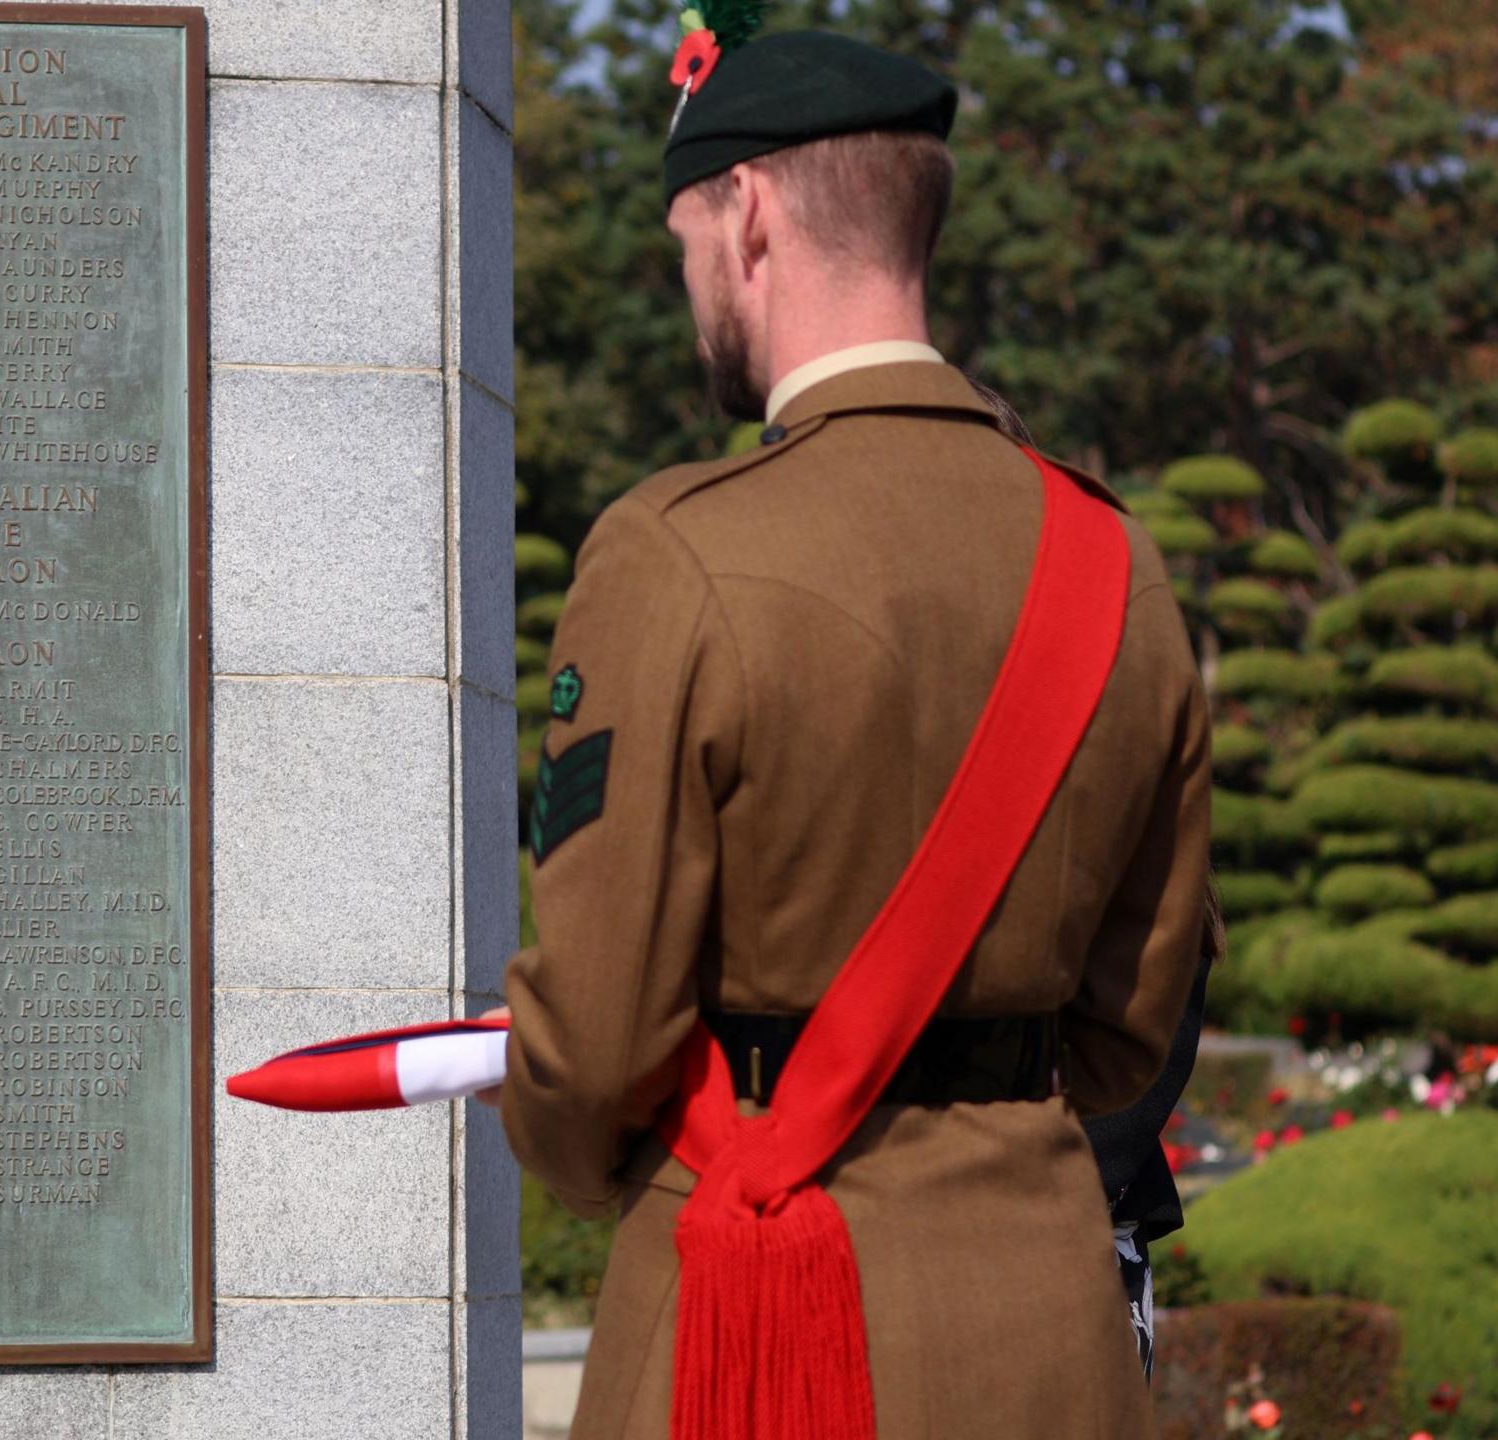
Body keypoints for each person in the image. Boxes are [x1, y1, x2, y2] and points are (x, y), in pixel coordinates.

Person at [489, 24, 1211, 1440]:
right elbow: (1133, 1031)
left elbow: (594, 1043)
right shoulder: (1116, 564)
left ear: (748, 212)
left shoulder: (671, 553)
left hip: (757, 1330)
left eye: (689, 235)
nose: (690, 278)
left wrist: (578, 1153)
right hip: (1042, 1327)